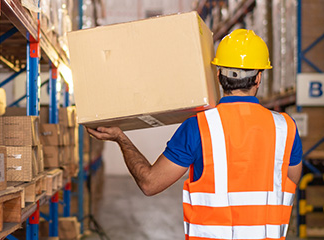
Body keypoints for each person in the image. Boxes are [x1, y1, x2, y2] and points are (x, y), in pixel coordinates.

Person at [86, 29, 303, 239]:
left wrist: (121, 139)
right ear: (258, 78)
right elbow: (289, 182)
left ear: (218, 75)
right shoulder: (286, 128)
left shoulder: (198, 127)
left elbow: (149, 183)